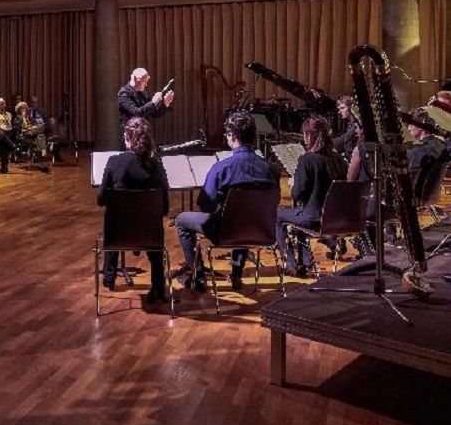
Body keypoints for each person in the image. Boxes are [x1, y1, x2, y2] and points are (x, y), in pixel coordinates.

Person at [174, 111, 276, 291]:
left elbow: (205, 205)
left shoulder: (222, 168)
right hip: (262, 230)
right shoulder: (269, 168)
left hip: (226, 232)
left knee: (181, 220)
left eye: (227, 134)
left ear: (233, 136)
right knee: (245, 217)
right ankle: (236, 276)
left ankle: (197, 275)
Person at [97, 117, 170, 302]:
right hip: (150, 235)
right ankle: (159, 287)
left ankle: (109, 276)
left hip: (118, 235)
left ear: (127, 138)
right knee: (152, 229)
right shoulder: (156, 165)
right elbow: (165, 208)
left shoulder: (114, 162)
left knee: (115, 219)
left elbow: (101, 200)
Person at [275, 116, 347, 277]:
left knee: (277, 214)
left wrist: (293, 183)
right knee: (299, 214)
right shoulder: (338, 160)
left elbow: (297, 194)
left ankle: (290, 263)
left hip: (314, 219)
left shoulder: (307, 160)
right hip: (336, 219)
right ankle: (306, 263)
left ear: (309, 136)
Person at [118, 68, 174, 146]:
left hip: (143, 135)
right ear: (135, 79)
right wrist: (153, 102)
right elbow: (136, 113)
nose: (146, 84)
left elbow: (154, 114)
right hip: (130, 136)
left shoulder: (143, 93)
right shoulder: (124, 93)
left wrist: (165, 104)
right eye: (144, 81)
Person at [13, 101, 49, 172]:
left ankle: (41, 157)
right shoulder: (17, 118)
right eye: (22, 108)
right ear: (19, 110)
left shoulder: (29, 117)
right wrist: (23, 119)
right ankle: (42, 157)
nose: (24, 110)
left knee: (41, 135)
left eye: (25, 108)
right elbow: (19, 129)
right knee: (41, 134)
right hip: (25, 135)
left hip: (33, 134)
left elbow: (34, 125)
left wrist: (34, 127)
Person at [332, 95, 359, 162]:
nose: (339, 112)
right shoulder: (349, 123)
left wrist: (326, 141)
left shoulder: (356, 125)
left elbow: (343, 139)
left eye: (343, 108)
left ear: (351, 108)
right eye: (339, 109)